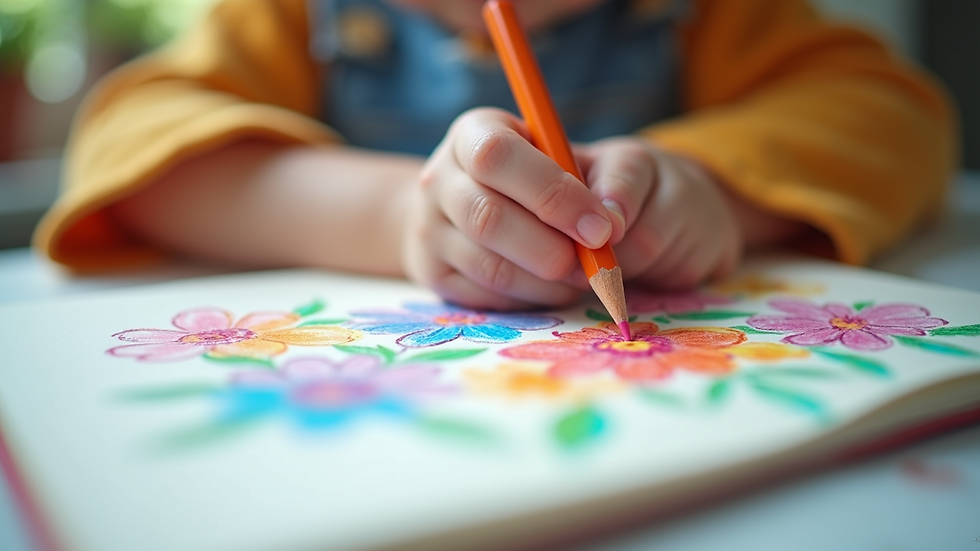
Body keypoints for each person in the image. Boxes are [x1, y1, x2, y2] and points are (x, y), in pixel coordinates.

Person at [34, 0, 956, 311]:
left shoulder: (705, 14)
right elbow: (128, 142)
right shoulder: (291, 16)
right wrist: (397, 219)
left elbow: (893, 113)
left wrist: (712, 190)